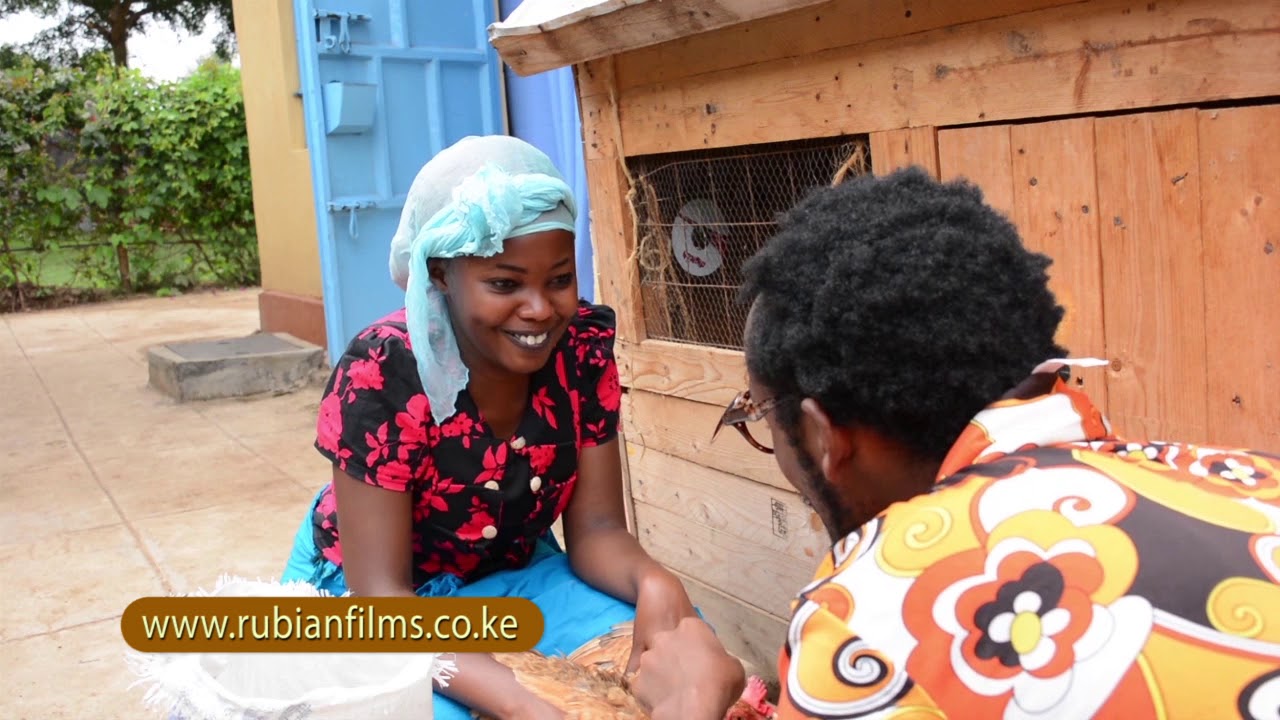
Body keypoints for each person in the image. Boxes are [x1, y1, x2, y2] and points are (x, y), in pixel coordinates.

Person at [629, 166, 1280, 719]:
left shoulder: (869, 621)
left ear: (826, 437)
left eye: (767, 421)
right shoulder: (1251, 478)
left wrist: (689, 704)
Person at [280, 134, 731, 720]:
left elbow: (595, 529)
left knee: (682, 652)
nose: (540, 308)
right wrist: (520, 700)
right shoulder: (383, 374)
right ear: (440, 275)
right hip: (376, 604)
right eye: (505, 283)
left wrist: (653, 582)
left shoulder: (580, 353)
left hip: (512, 575)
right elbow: (380, 597)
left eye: (559, 278)